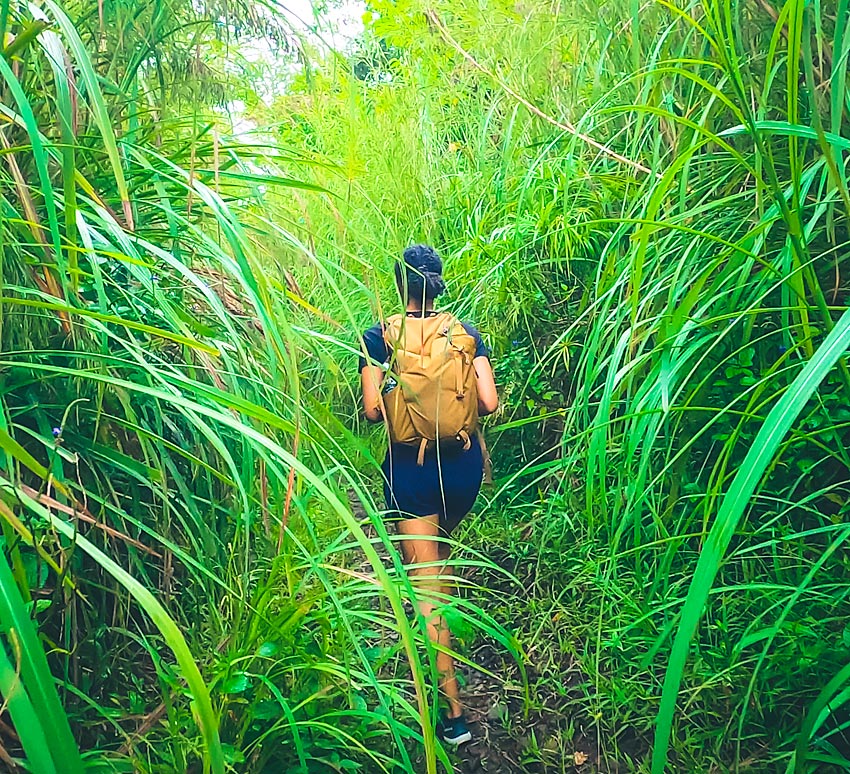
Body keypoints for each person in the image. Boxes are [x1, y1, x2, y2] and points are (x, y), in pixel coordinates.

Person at [359, 244, 498, 747]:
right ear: (438, 284)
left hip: (411, 470)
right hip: (461, 469)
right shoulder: (465, 333)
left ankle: (452, 714)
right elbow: (489, 402)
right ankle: (445, 644)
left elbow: (373, 411)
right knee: (438, 564)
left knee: (427, 589)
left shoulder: (379, 336)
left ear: (400, 286)